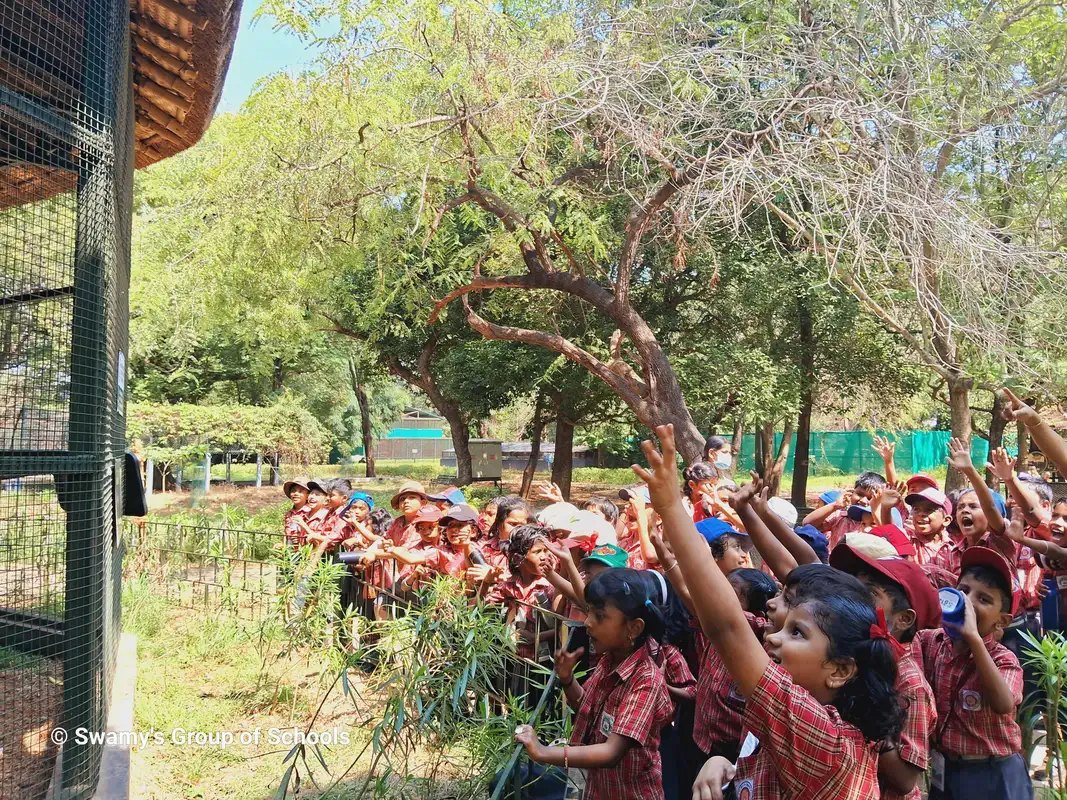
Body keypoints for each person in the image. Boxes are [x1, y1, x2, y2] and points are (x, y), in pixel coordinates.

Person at [635, 424, 904, 800]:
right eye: (788, 625)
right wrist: (724, 764)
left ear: (840, 670)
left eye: (798, 633)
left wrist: (668, 509)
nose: (773, 635)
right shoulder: (791, 713)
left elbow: (727, 627)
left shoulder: (822, 736)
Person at [513, 568, 674, 800]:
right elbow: (588, 708)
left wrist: (543, 752)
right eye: (588, 612)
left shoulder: (645, 680)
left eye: (599, 616)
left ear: (634, 628)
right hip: (600, 789)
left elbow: (611, 752)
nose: (587, 622)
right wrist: (568, 679)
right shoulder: (609, 660)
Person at [913, 547, 1031, 800]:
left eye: (984, 599)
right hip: (948, 766)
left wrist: (974, 639)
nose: (967, 602)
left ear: (1002, 621)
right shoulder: (930, 642)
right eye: (963, 591)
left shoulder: (1003, 659)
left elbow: (1003, 703)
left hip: (994, 770)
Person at [829, 545, 941, 800]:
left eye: (867, 594)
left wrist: (867, 723)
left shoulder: (911, 686)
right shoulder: (853, 657)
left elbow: (905, 780)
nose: (854, 602)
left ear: (904, 619)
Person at [927, 438, 1016, 585]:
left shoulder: (1000, 541)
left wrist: (969, 470)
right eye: (960, 507)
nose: (964, 511)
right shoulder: (952, 551)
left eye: (974, 506)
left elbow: (990, 508)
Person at [802, 471, 888, 550]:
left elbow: (889, 538)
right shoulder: (840, 516)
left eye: (870, 498)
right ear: (851, 492)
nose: (863, 500)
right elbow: (807, 524)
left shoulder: (881, 519)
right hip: (835, 565)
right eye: (859, 494)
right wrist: (834, 505)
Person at [904, 485, 952, 566]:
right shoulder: (907, 538)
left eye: (929, 510)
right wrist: (885, 508)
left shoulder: (953, 548)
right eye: (916, 509)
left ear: (946, 520)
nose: (921, 514)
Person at [386, 480, 428, 549]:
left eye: (412, 497)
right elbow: (385, 538)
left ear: (423, 503)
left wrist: (375, 553)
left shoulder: (424, 523)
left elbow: (407, 551)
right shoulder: (398, 521)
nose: (406, 501)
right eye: (402, 499)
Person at [282, 478, 310, 548]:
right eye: (293, 491)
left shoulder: (310, 512)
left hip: (305, 550)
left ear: (307, 495)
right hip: (290, 550)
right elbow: (286, 534)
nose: (296, 494)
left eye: (301, 491)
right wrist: (282, 544)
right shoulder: (289, 514)